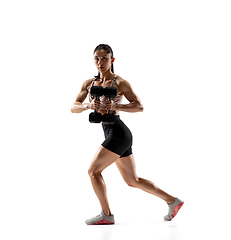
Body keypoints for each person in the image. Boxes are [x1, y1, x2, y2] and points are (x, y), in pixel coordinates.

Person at [71, 44, 184, 225]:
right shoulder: (89, 83)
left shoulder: (120, 82)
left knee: (93, 171)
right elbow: (73, 107)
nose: (100, 62)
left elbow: (139, 106)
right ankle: (173, 201)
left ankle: (106, 215)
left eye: (104, 58)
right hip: (110, 132)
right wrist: (87, 106)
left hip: (118, 132)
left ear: (112, 60)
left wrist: (117, 106)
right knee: (133, 180)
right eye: (97, 59)